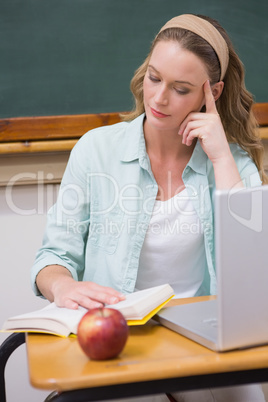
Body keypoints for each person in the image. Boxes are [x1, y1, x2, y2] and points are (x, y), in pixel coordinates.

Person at [31, 14, 266, 402]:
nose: (158, 98)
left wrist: (223, 159)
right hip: (120, 344)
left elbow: (255, 276)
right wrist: (64, 285)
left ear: (213, 92)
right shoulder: (96, 150)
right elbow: (53, 257)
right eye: (154, 78)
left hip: (204, 344)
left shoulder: (232, 163)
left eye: (181, 88)